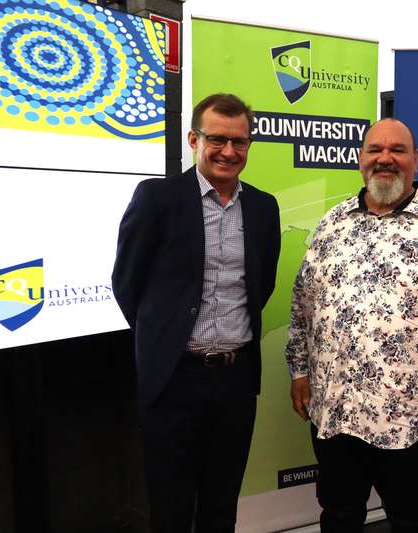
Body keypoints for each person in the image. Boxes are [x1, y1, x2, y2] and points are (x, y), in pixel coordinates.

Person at [285, 118, 418, 533]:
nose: (385, 158)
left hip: (410, 416)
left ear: (415, 160)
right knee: (339, 512)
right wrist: (300, 369)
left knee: (410, 514)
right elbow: (303, 305)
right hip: (336, 409)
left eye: (398, 150)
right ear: (361, 160)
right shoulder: (333, 224)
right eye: (375, 150)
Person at [112, 93, 281, 533]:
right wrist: (165, 337)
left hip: (236, 380)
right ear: (193, 139)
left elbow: (260, 287)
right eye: (217, 139)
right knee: (170, 506)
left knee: (221, 503)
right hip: (173, 380)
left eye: (239, 142)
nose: (229, 151)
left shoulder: (263, 208)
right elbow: (127, 285)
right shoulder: (156, 198)